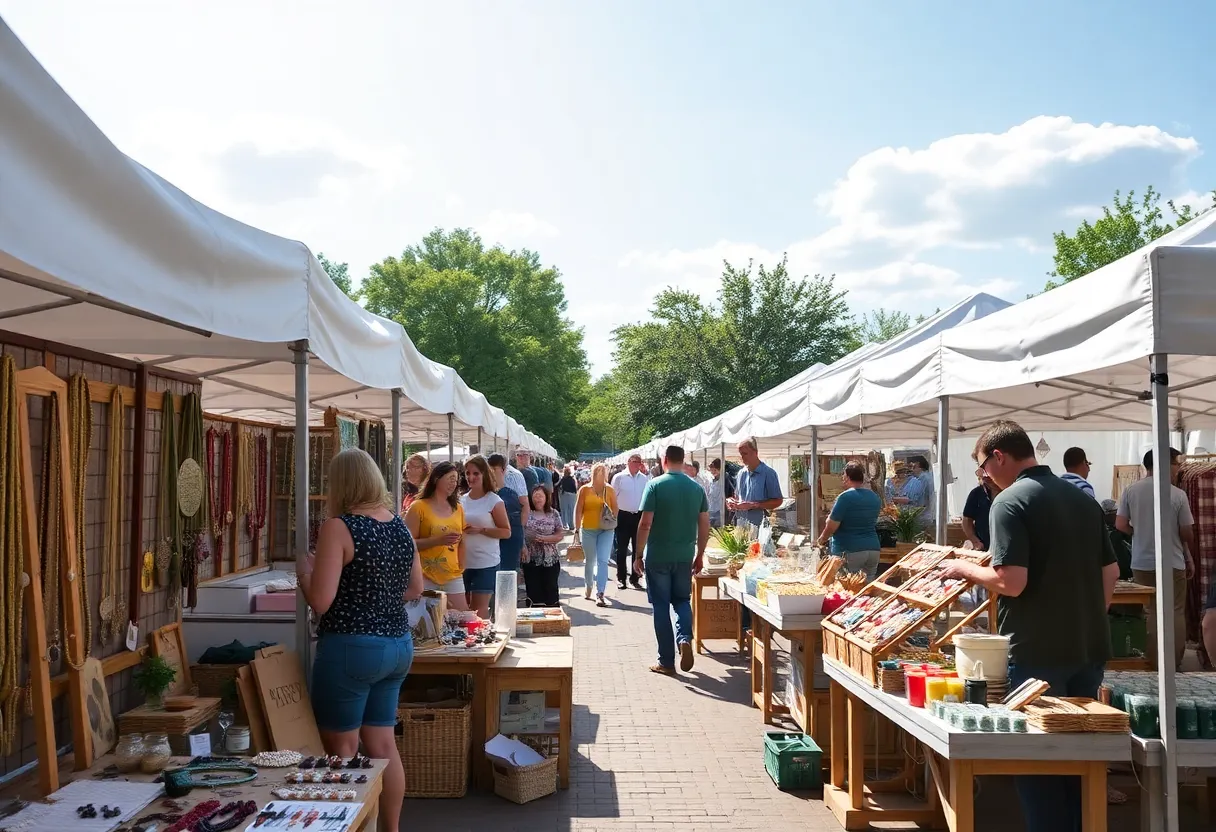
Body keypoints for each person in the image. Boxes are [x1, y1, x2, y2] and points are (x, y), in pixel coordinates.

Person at [942, 420, 1117, 832]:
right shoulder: (1081, 499)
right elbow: (1110, 572)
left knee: (1038, 765)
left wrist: (963, 568)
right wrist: (1087, 614)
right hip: (1089, 647)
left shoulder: (1008, 502)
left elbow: (1011, 582)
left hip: (1037, 652)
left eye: (984, 467)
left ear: (999, 457)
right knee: (1082, 762)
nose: (984, 476)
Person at [299, 449, 420, 832]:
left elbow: (320, 600)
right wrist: (378, 598)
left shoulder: (339, 526)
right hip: (397, 644)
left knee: (343, 749)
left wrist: (305, 572)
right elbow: (415, 587)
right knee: (384, 747)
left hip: (351, 647)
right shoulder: (399, 525)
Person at [1116, 447, 1195, 670]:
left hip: (1142, 561)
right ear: (1164, 464)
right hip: (1172, 560)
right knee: (1175, 611)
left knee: (1150, 611)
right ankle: (1173, 662)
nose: (1178, 468)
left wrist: (1139, 532)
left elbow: (1120, 524)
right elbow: (1187, 531)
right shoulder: (1177, 494)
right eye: (1175, 464)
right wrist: (1185, 548)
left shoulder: (1131, 491)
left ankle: (1152, 660)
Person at [635, 445, 709, 675]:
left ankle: (666, 661)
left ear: (664, 460)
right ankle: (685, 637)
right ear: (683, 460)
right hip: (684, 555)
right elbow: (704, 524)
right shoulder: (696, 488)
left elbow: (646, 523)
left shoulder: (655, 485)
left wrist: (638, 554)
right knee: (682, 601)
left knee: (660, 606)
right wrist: (700, 553)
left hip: (658, 555)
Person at [404, 461, 468, 611]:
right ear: (436, 479)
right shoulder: (418, 507)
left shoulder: (458, 508)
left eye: (456, 480)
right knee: (426, 621)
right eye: (450, 478)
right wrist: (437, 541)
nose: (454, 483)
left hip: (452, 573)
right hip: (424, 574)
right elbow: (407, 543)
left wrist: (462, 566)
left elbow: (463, 540)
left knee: (461, 615)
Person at [459, 455, 510, 617]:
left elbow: (506, 532)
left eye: (475, 473)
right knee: (462, 610)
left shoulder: (494, 500)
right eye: (467, 473)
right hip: (462, 563)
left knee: (478, 610)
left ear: (484, 474)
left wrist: (481, 530)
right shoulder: (461, 500)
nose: (471, 477)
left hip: (486, 562)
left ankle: (483, 640)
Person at [815, 461, 882, 580]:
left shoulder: (845, 497)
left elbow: (831, 526)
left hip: (849, 549)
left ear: (846, 477)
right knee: (867, 588)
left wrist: (821, 540)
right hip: (873, 548)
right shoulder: (874, 497)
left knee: (844, 588)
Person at [574, 462, 618, 607]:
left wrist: (610, 520)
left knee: (603, 560)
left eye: (602, 471)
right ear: (592, 474)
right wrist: (576, 528)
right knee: (590, 560)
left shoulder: (609, 489)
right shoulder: (584, 489)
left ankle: (600, 593)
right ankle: (588, 585)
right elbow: (579, 509)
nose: (600, 474)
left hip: (606, 530)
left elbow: (616, 509)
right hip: (588, 529)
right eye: (597, 471)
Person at [610, 454, 650, 590]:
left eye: (639, 462)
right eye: (634, 462)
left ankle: (635, 577)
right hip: (623, 515)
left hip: (638, 515)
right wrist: (613, 515)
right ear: (628, 462)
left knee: (638, 549)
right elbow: (612, 497)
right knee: (621, 548)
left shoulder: (644, 479)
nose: (637, 465)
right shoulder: (619, 477)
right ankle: (621, 577)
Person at [523, 484, 565, 607]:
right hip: (531, 559)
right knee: (533, 591)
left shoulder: (554, 513)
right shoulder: (527, 513)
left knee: (551, 589)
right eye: (535, 496)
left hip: (550, 559)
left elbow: (560, 534)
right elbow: (521, 531)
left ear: (546, 497)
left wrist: (545, 539)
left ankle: (552, 621)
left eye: (540, 496)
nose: (538, 499)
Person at [728, 438, 783, 528]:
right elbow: (737, 497)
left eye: (745, 453)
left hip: (760, 526)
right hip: (741, 524)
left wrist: (755, 505)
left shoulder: (768, 473)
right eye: (741, 454)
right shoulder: (741, 473)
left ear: (755, 452)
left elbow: (778, 501)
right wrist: (732, 502)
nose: (742, 457)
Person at [488, 454, 526, 579]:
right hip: (487, 551)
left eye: (495, 470)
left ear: (503, 470)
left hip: (506, 548)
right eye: (489, 470)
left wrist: (522, 544)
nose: (492, 473)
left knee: (505, 583)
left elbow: (516, 530)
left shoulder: (510, 495)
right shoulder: (483, 495)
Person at [961, 470, 1000, 551]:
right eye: (981, 471)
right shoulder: (976, 493)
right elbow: (967, 520)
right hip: (984, 548)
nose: (985, 475)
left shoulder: (1012, 492)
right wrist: (975, 541)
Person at [707, 458, 734, 526]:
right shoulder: (712, 480)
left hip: (721, 510)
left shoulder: (725, 479)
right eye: (712, 470)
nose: (713, 472)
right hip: (712, 509)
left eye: (715, 470)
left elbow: (730, 493)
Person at [558, 466, 578, 530]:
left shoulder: (563, 479)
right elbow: (575, 488)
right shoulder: (572, 479)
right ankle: (571, 525)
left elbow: (559, 486)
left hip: (564, 495)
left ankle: (564, 524)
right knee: (571, 510)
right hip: (572, 495)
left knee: (564, 510)